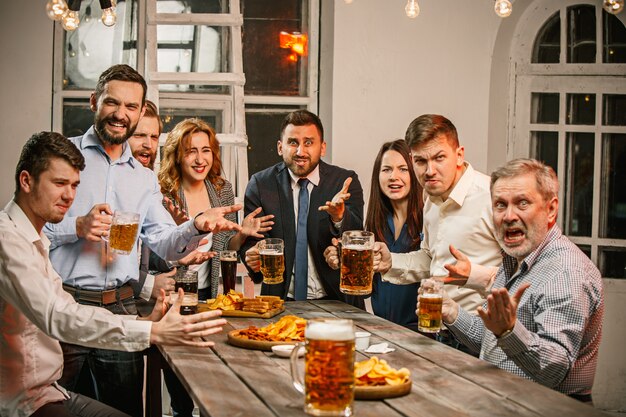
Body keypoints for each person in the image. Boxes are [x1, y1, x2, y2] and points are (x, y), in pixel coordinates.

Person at [43, 64, 242, 417]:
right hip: (65, 306)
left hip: (121, 310)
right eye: (112, 103)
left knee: (123, 412)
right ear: (94, 102)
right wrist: (77, 226)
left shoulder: (144, 179)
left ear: (139, 112)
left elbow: (164, 241)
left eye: (131, 107)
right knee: (50, 408)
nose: (121, 114)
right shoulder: (62, 157)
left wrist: (196, 224)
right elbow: (30, 229)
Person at [0, 132, 228, 417]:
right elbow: (58, 316)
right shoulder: (7, 240)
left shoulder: (32, 240)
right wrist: (151, 330)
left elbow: (67, 308)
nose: (70, 196)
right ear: (26, 180)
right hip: (21, 403)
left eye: (74, 185)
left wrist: (142, 321)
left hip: (49, 392)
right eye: (60, 184)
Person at [438, 158, 604, 402]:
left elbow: (554, 369)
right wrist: (451, 311)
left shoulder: (565, 272)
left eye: (522, 203)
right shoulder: (515, 259)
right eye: (500, 205)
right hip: (504, 401)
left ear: (551, 209)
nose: (508, 216)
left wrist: (508, 332)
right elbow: (490, 339)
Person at [375, 114, 502, 349]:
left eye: (439, 158)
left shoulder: (492, 196)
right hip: (441, 333)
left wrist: (474, 274)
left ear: (459, 155)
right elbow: (431, 259)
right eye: (421, 161)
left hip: (485, 335)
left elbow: (526, 271)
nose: (430, 170)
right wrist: (390, 262)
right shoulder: (430, 195)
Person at [240, 110, 365, 307]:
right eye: (293, 142)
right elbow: (251, 241)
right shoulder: (261, 184)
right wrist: (251, 255)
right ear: (280, 147)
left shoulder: (344, 182)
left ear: (322, 148)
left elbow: (359, 237)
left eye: (308, 142)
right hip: (279, 302)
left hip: (338, 301)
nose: (300, 151)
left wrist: (340, 217)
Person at [158, 117, 273, 301]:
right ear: (177, 156)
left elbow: (227, 246)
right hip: (170, 291)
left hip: (207, 292)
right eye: (190, 151)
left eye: (206, 151)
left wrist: (242, 234)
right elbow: (154, 250)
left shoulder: (222, 190)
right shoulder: (163, 194)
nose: (200, 159)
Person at [324, 140, 423, 329]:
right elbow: (367, 289)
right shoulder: (377, 222)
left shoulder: (428, 220)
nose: (394, 176)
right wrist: (343, 259)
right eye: (386, 170)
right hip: (382, 328)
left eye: (403, 169)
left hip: (421, 334)